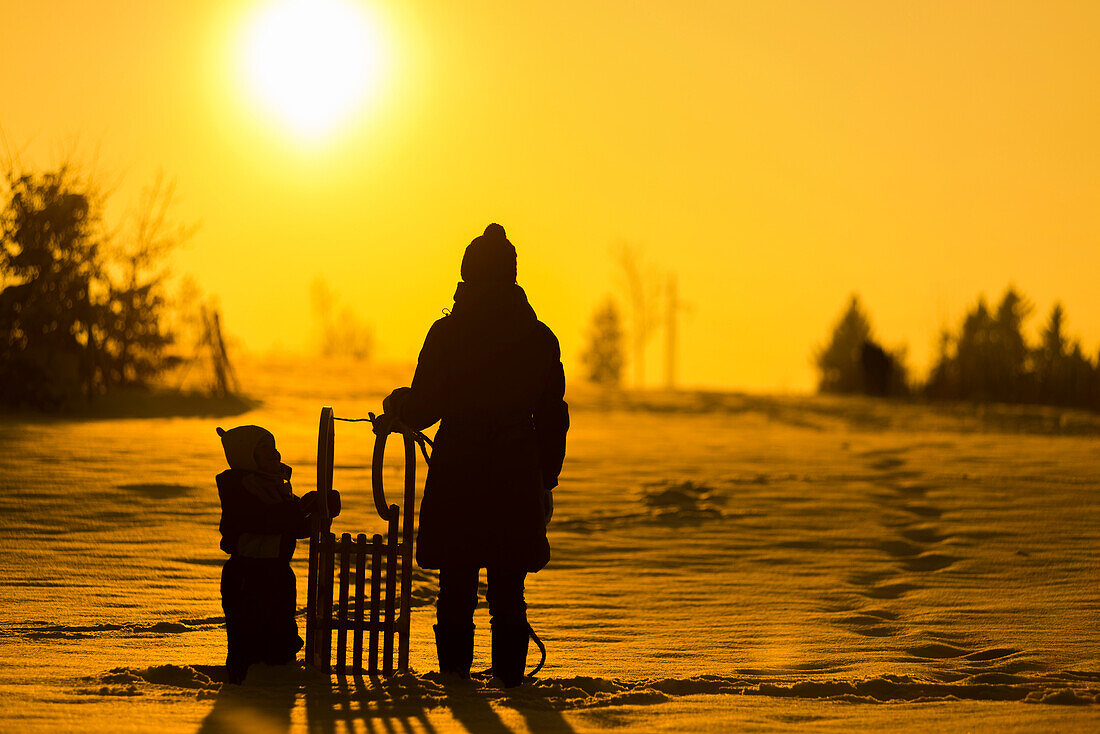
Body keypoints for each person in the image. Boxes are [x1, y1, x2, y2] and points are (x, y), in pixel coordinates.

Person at [382, 223, 568, 687]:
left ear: (466, 275)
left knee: (456, 584)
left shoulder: (447, 334)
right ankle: (511, 682)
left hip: (458, 473)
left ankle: (455, 682)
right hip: (516, 473)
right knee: (509, 587)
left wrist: (397, 405)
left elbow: (424, 408)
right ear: (512, 277)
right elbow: (553, 418)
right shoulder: (540, 338)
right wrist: (545, 480)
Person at [215, 425, 341, 684]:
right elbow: (264, 520)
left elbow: (293, 527)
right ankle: (247, 689)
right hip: (247, 577)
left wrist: (321, 511)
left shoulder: (275, 486)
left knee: (281, 635)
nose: (274, 454)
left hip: (277, 573)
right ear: (246, 456)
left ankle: (279, 683)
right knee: (249, 638)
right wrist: (301, 509)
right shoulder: (238, 489)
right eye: (264, 449)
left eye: (274, 448)